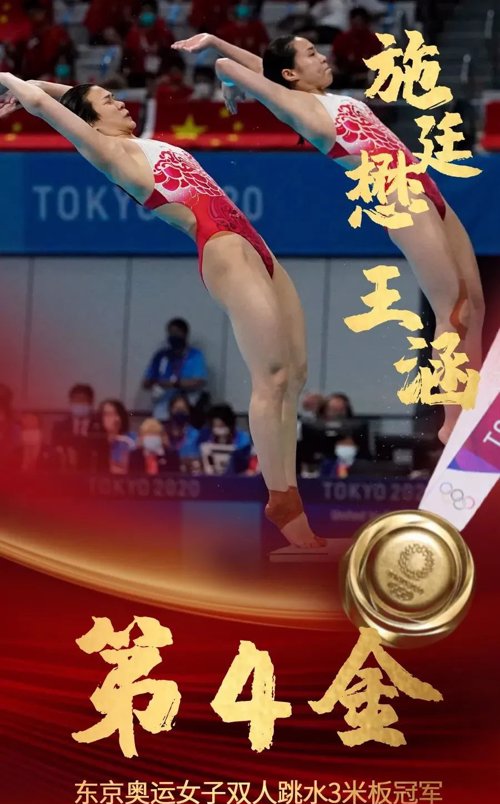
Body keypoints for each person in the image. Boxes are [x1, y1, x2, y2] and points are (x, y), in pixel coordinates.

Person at [0, 72, 323, 548]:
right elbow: (49, 105)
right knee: (272, 375)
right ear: (91, 121)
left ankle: (291, 496)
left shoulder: (139, 141)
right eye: (109, 100)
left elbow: (60, 96)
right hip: (223, 247)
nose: (121, 102)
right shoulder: (110, 154)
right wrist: (10, 79)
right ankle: (281, 499)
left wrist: (32, 84)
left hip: (256, 244)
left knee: (295, 375)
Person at [172, 31, 486, 445]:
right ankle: (454, 425)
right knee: (454, 310)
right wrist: (225, 69)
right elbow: (233, 68)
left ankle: (473, 405)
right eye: (310, 53)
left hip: (425, 190)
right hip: (401, 198)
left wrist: (220, 43)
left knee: (474, 304)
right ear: (291, 74)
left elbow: (264, 69)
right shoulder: (302, 108)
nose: (322, 57)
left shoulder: (320, 96)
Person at [142, 317, 208, 422]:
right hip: (162, 406)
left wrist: (172, 384)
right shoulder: (161, 355)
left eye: (176, 332)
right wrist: (156, 383)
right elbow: (146, 383)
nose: (173, 336)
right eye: (170, 333)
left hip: (187, 405)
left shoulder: (195, 355)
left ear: (185, 334)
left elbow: (198, 381)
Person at [51, 383, 105, 471]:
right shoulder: (59, 427)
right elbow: (55, 453)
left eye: (83, 400)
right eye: (76, 400)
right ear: (70, 402)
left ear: (91, 403)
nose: (79, 403)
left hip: (93, 473)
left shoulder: (102, 427)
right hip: (66, 473)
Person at [198, 403, 252, 475]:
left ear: (229, 424)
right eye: (215, 426)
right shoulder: (209, 439)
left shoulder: (243, 437)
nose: (218, 429)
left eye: (221, 426)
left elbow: (243, 457)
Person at [97, 399, 136, 474]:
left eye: (117, 414)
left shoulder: (131, 438)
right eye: (109, 414)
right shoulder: (96, 440)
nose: (116, 419)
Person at [163, 394, 201, 464]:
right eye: (177, 409)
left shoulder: (195, 434)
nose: (180, 412)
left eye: (183, 409)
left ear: (188, 412)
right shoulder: (162, 432)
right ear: (170, 410)